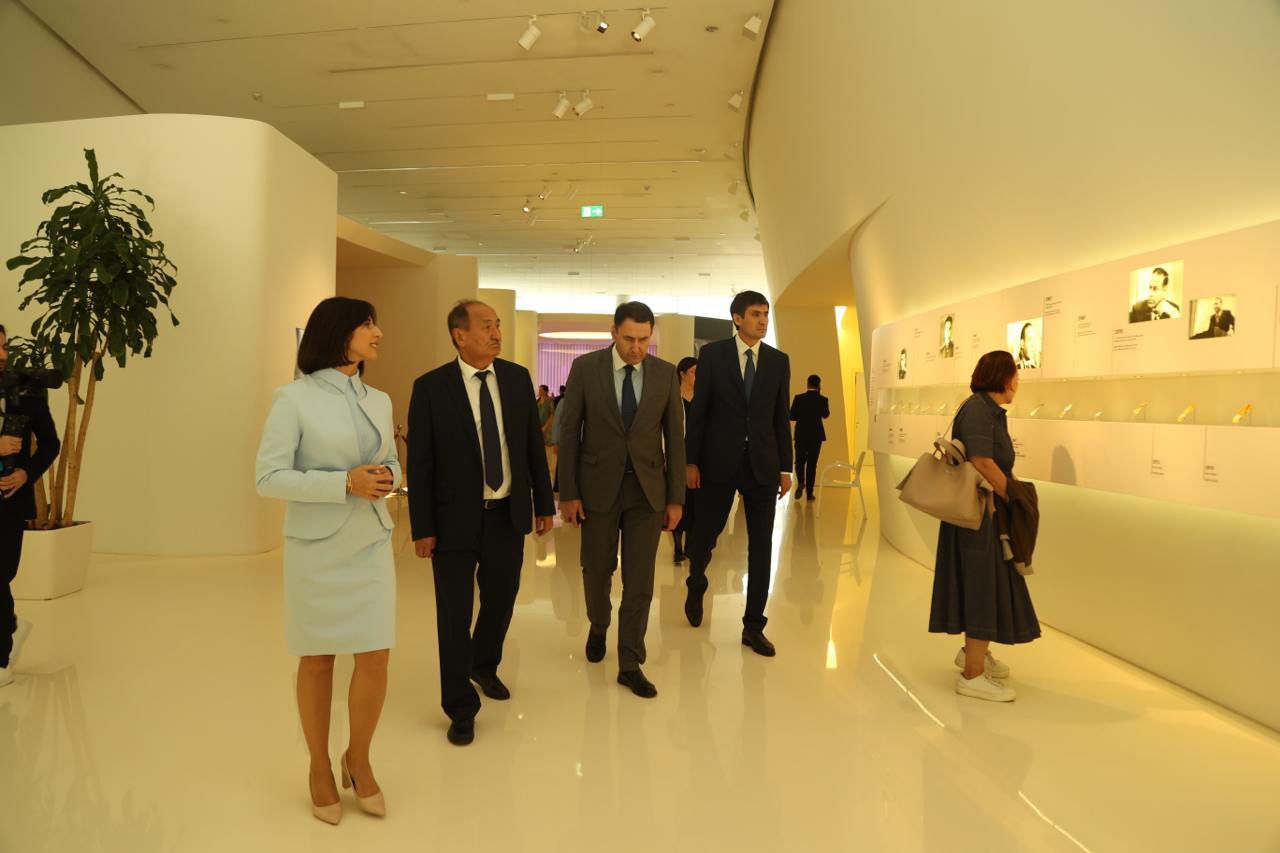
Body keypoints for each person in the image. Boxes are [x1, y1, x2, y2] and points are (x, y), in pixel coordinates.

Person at [255, 298, 400, 824]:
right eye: (367, 324)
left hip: (371, 542)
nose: (377, 332)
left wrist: (388, 480)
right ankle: (319, 764)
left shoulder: (379, 399)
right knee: (317, 659)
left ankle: (357, 758)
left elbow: (391, 464)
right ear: (339, 333)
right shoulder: (293, 399)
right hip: (317, 549)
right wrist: (343, 482)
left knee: (376, 656)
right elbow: (268, 477)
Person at [407, 300, 554, 747]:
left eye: (498, 326)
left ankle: (483, 666)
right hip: (453, 522)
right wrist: (422, 527)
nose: (496, 334)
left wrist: (543, 503)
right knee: (453, 614)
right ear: (459, 335)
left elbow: (530, 445)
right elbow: (422, 464)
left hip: (506, 515)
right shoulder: (431, 387)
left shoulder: (515, 378)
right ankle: (459, 706)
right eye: (486, 326)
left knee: (502, 599)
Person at [556, 302, 685, 698]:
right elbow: (569, 434)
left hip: (647, 491)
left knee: (641, 580)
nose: (637, 348)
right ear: (613, 332)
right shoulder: (585, 369)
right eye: (629, 338)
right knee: (596, 569)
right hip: (597, 488)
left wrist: (676, 498)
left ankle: (630, 660)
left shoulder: (664, 374)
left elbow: (675, 440)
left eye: (644, 340)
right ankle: (598, 623)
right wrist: (568, 493)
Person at [684, 290, 792, 657]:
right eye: (756, 314)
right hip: (718, 462)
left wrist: (785, 467)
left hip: (761, 465)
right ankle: (696, 581)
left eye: (766, 314)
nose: (763, 320)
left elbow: (780, 417)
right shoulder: (713, 355)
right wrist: (691, 461)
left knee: (761, 547)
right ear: (737, 318)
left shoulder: (778, 361)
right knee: (705, 535)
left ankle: (753, 626)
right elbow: (699, 410)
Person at [929, 350, 1041, 702]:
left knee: (983, 583)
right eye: (1015, 376)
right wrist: (1015, 497)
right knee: (981, 585)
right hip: (979, 515)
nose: (1017, 383)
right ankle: (972, 674)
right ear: (1003, 378)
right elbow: (981, 461)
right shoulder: (979, 409)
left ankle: (974, 654)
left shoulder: (986, 409)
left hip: (981, 513)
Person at [0, 325, 61, 690]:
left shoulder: (27, 393)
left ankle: (1, 657)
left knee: (0, 575)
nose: (3, 354)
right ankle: (11, 630)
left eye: (5, 346)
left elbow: (51, 444)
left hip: (9, 503)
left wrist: (26, 472)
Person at [670, 356, 698, 563]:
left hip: (697, 458)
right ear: (682, 374)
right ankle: (678, 546)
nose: (697, 377)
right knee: (678, 498)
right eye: (694, 373)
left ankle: (692, 543)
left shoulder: (702, 398)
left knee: (696, 502)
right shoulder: (673, 398)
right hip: (677, 456)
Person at [790, 374, 830, 501]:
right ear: (819, 385)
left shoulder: (799, 398)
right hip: (816, 436)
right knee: (812, 465)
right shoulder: (823, 399)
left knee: (799, 462)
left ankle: (801, 482)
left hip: (801, 434)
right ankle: (809, 494)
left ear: (807, 384)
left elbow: (791, 416)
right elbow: (826, 415)